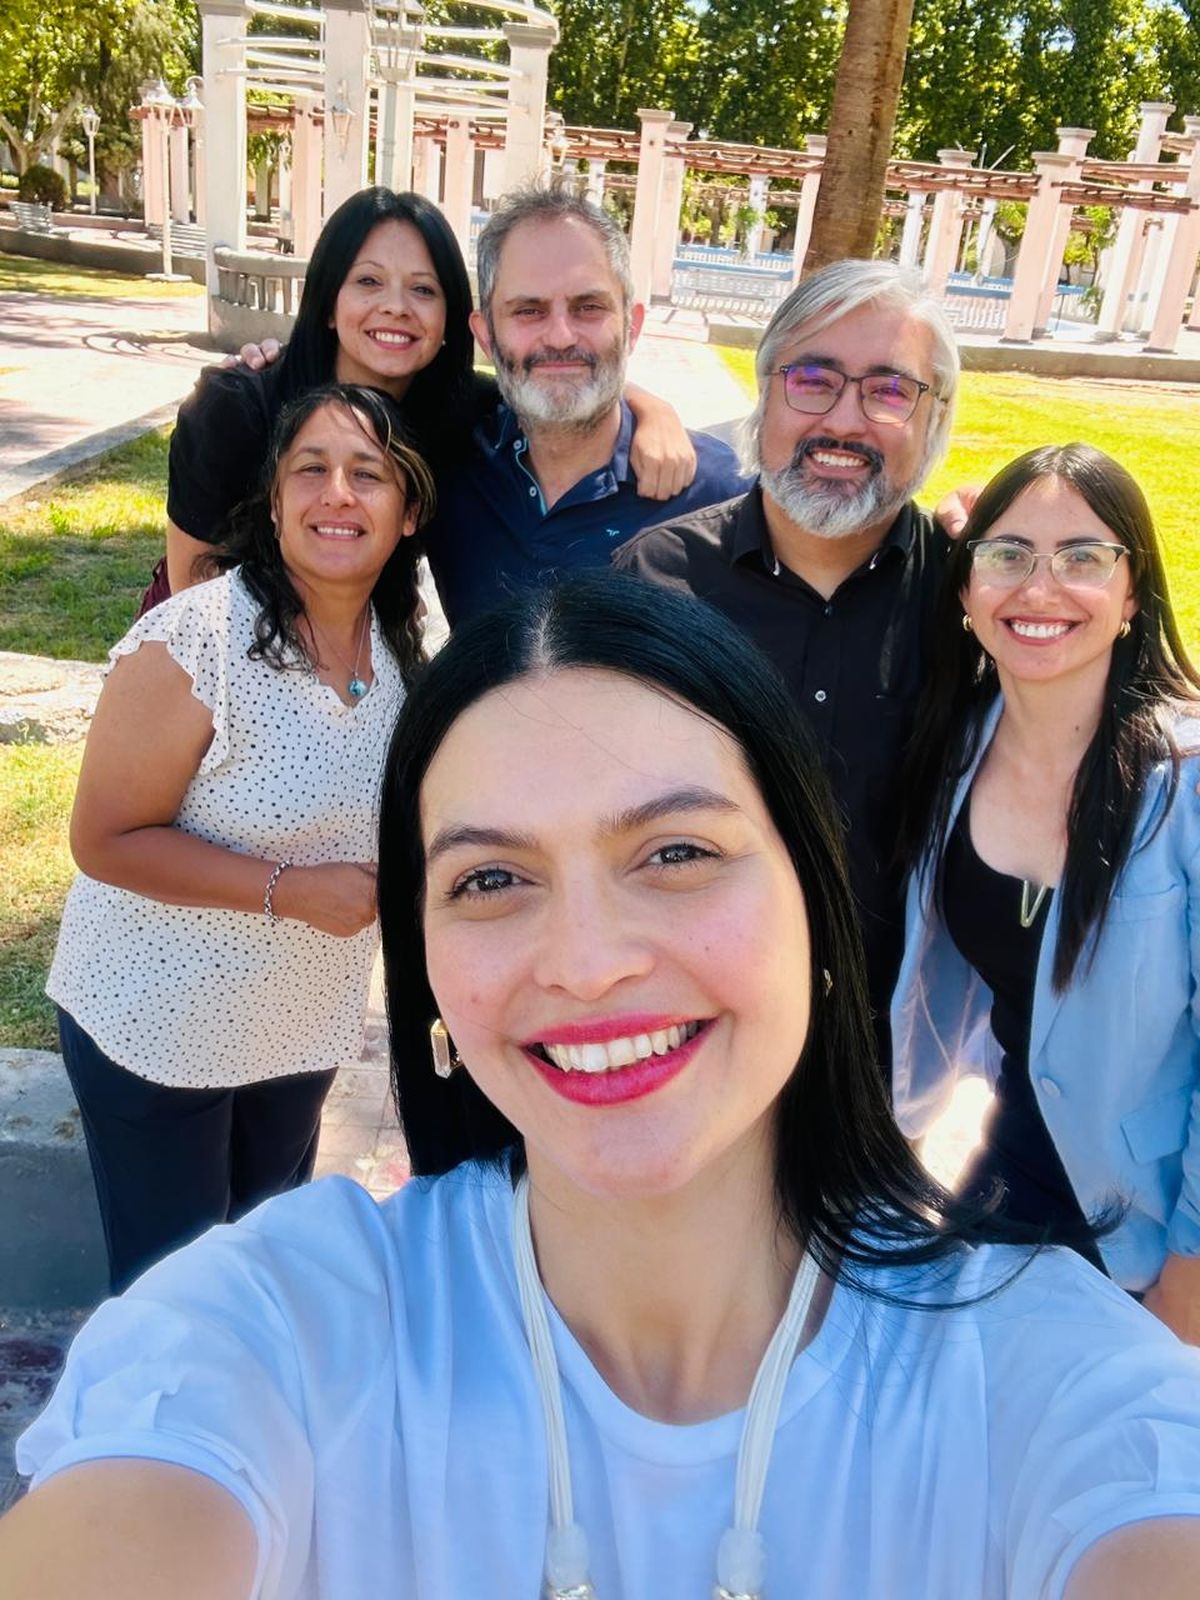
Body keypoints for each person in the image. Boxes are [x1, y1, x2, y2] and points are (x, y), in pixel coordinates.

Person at [7, 575, 1200, 1599]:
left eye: (676, 853)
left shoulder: (1046, 1373)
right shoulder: (281, 1324)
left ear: (818, 905)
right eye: (487, 881)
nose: (585, 962)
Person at [45, 384, 435, 1294]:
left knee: (264, 1275)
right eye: (311, 469)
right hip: (156, 1026)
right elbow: (104, 839)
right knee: (175, 1298)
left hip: (297, 1027)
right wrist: (290, 890)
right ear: (273, 502)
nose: (337, 492)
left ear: (407, 511)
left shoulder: (405, 653)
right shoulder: (196, 640)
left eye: (367, 474)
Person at [892, 443, 1200, 1343]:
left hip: (1152, 1224)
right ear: (963, 591)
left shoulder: (1183, 785)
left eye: (1082, 559)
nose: (1041, 588)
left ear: (1133, 593)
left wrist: (1186, 1287)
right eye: (1010, 555)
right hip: (1011, 1166)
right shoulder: (952, 752)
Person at [617, 260, 955, 1053]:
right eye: (813, 379)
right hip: (685, 1025)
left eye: (889, 390)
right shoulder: (652, 581)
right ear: (765, 393)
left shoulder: (969, 602)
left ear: (933, 419)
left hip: (889, 1047)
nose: (844, 420)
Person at [420, 184, 748, 626]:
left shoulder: (718, 498)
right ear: (486, 334)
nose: (560, 336)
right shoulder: (447, 468)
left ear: (631, 326)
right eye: (529, 311)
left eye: (588, 307)